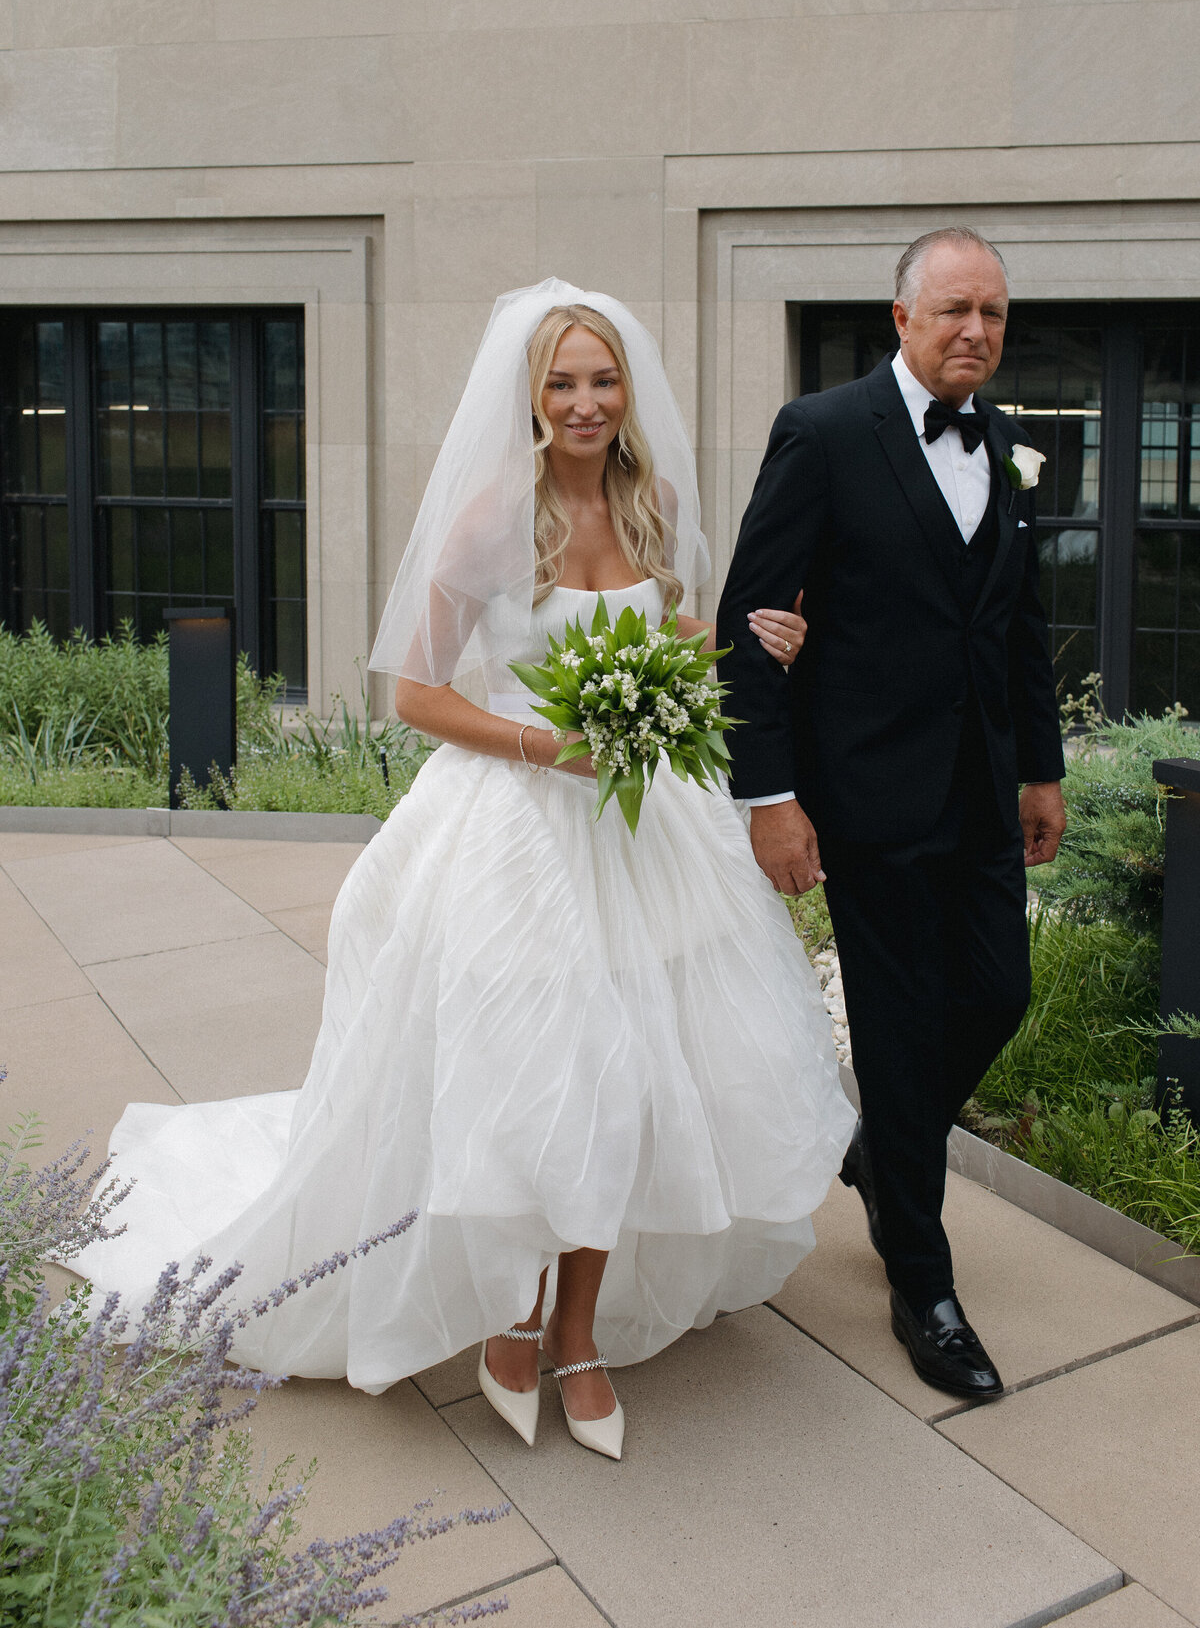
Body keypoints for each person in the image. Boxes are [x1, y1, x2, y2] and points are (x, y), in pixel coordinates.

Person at [70, 279, 854, 1462]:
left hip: (646, 830)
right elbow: (417, 693)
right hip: (518, 829)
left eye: (603, 379)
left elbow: (683, 653)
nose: (585, 401)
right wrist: (552, 743)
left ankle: (577, 1334)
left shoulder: (655, 507)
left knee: (636, 1079)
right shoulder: (497, 517)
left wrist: (744, 647)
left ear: (626, 392)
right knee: (538, 1079)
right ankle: (513, 1313)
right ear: (530, 395)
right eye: (563, 381)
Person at [716, 229, 1066, 1402]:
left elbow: (1017, 625)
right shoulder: (822, 433)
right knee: (903, 1025)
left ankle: (885, 1149)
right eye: (957, 309)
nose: (979, 331)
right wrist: (769, 796)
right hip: (863, 795)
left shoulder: (1009, 445)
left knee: (999, 989)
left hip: (979, 792)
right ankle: (923, 1277)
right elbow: (749, 621)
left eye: (997, 313)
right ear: (903, 317)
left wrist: (1042, 770)